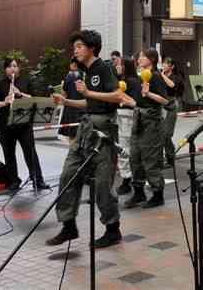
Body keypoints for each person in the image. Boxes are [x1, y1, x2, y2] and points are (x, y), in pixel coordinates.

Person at [47, 30, 129, 248]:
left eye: (80, 46)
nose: (76, 50)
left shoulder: (104, 68)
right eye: (75, 47)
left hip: (103, 133)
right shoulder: (85, 71)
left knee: (102, 184)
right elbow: (88, 104)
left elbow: (118, 96)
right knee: (68, 174)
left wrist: (89, 93)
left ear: (92, 47)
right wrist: (65, 102)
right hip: (86, 129)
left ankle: (113, 229)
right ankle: (68, 226)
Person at [0, 58, 49, 192]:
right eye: (10, 66)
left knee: (30, 152)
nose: (13, 69)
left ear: (19, 69)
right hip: (5, 125)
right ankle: (14, 181)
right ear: (5, 69)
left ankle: (37, 180)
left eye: (15, 66)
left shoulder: (26, 82)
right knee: (9, 154)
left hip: (24, 124)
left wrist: (19, 94)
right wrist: (5, 102)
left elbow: (34, 98)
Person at [124, 49, 169, 209]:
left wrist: (149, 94)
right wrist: (125, 99)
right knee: (134, 157)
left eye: (143, 56)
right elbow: (138, 101)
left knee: (150, 158)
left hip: (152, 121)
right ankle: (138, 192)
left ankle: (158, 194)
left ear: (152, 59)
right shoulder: (140, 76)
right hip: (139, 119)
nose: (139, 58)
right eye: (140, 55)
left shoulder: (155, 76)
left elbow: (165, 100)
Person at [114, 57, 141, 196]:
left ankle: (126, 181)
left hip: (126, 117)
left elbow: (132, 101)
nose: (118, 66)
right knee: (128, 149)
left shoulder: (130, 81)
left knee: (124, 150)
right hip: (128, 117)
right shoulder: (135, 80)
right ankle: (130, 179)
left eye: (121, 65)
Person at [160, 56, 185, 167]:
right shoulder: (161, 75)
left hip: (171, 104)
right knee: (160, 133)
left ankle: (170, 157)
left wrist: (161, 75)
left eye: (167, 63)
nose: (164, 65)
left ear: (172, 66)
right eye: (163, 63)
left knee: (167, 134)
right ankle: (162, 158)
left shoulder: (176, 77)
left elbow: (172, 85)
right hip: (161, 104)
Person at [58, 58, 84, 145]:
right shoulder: (84, 75)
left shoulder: (69, 76)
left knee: (72, 136)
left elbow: (64, 94)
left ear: (73, 64)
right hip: (82, 107)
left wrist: (62, 85)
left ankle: (73, 154)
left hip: (70, 108)